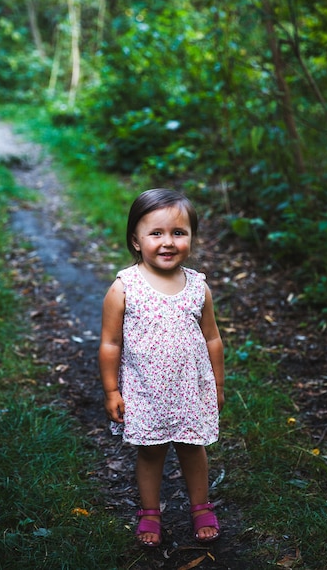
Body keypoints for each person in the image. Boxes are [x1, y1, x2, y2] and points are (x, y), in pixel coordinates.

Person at [99, 188, 225, 547]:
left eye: (178, 233)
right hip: (145, 390)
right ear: (136, 241)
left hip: (190, 387)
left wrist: (216, 384)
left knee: (192, 447)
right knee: (151, 452)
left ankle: (200, 505)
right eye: (156, 233)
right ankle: (150, 511)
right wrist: (112, 390)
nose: (168, 242)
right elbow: (110, 343)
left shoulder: (198, 287)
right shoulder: (125, 288)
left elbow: (212, 338)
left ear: (191, 238)